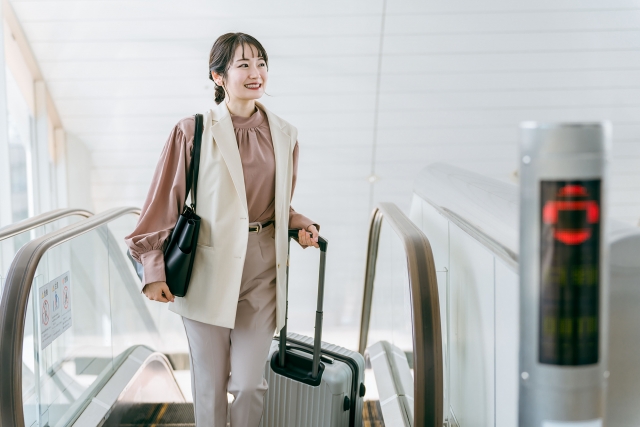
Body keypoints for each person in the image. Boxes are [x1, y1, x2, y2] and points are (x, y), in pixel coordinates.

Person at [124, 32, 320, 426]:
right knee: (211, 386)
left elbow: (276, 201)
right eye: (243, 65)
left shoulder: (285, 134)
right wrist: (153, 268)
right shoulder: (192, 131)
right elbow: (163, 201)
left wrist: (298, 222)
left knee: (249, 384)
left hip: (262, 270)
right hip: (207, 269)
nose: (256, 73)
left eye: (261, 64)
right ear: (218, 76)